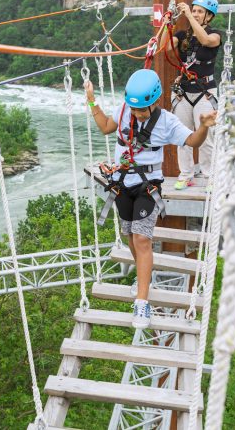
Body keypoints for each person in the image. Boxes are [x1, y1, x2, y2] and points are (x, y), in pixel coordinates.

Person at [84, 69, 217, 328]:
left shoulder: (166, 121)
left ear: (155, 102)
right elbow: (106, 127)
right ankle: (144, 278)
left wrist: (203, 126)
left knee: (142, 238)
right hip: (122, 183)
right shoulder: (125, 110)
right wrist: (91, 101)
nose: (137, 114)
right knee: (130, 235)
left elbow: (192, 141)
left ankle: (142, 303)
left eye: (142, 110)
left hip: (148, 185)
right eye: (134, 109)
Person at [164, 0, 222, 190]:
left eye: (200, 11)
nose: (195, 14)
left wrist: (188, 15)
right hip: (184, 91)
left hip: (205, 92)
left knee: (206, 137)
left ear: (209, 16)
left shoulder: (215, 35)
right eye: (194, 10)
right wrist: (167, 25)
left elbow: (205, 40)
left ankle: (210, 177)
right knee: (183, 136)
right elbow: (164, 47)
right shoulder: (183, 36)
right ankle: (186, 174)